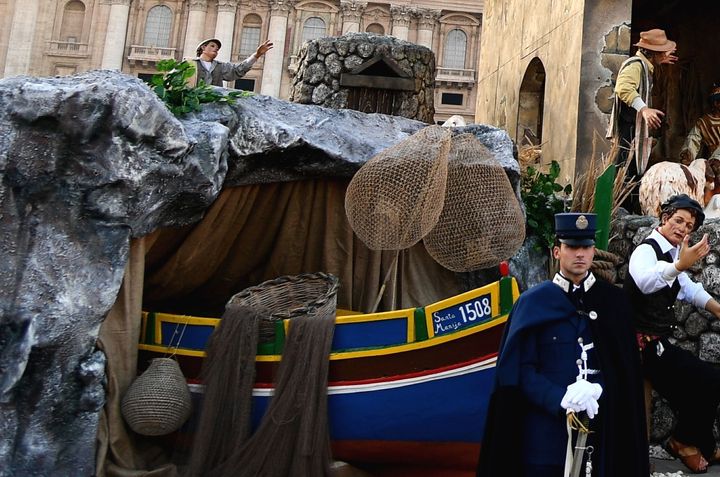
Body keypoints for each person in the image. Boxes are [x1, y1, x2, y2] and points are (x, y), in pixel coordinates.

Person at [477, 213, 649, 477]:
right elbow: (519, 370)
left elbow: (625, 374)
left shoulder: (613, 303)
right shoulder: (533, 303)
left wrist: (597, 390)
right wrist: (560, 400)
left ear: (593, 251)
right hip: (545, 436)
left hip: (600, 433)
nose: (579, 254)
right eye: (572, 247)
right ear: (557, 251)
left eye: (586, 247)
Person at [625, 193, 720, 474]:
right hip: (641, 346)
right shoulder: (647, 250)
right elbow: (644, 281)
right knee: (709, 381)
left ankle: (700, 443)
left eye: (689, 225)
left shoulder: (673, 252)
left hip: (658, 343)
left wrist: (717, 309)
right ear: (664, 219)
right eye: (678, 220)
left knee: (704, 383)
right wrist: (680, 264)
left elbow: (687, 287)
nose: (683, 228)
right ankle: (682, 443)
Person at [608, 29, 678, 212]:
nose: (665, 53)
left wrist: (661, 59)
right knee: (625, 171)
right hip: (628, 128)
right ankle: (621, 212)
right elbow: (623, 88)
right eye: (662, 51)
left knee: (632, 170)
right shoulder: (636, 65)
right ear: (653, 53)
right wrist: (644, 109)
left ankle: (628, 210)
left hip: (633, 130)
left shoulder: (646, 65)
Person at [191, 38, 274, 87]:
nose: (216, 49)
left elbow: (238, 69)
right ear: (203, 47)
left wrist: (257, 55)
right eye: (212, 46)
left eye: (217, 48)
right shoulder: (190, 64)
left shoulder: (220, 66)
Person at [680, 84, 720, 165]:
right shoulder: (704, 122)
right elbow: (693, 138)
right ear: (716, 103)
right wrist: (688, 153)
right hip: (713, 163)